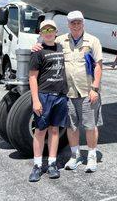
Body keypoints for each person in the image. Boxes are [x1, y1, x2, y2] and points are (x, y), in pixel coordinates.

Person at [33, 11, 103, 173]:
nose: (76, 25)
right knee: (72, 126)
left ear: (83, 23)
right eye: (72, 23)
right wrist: (35, 46)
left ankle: (91, 156)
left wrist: (95, 88)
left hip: (87, 91)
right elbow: (46, 42)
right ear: (68, 24)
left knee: (90, 125)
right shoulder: (61, 40)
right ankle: (75, 155)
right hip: (68, 92)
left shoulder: (92, 41)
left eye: (78, 22)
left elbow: (98, 66)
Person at [28, 19, 69, 182]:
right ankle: (37, 165)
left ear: (56, 31)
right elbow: (32, 77)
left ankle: (52, 163)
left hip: (60, 96)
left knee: (54, 130)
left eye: (51, 29)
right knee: (40, 131)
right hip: (44, 96)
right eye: (45, 30)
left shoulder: (62, 48)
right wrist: (36, 100)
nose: (49, 32)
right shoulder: (38, 51)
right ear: (41, 34)